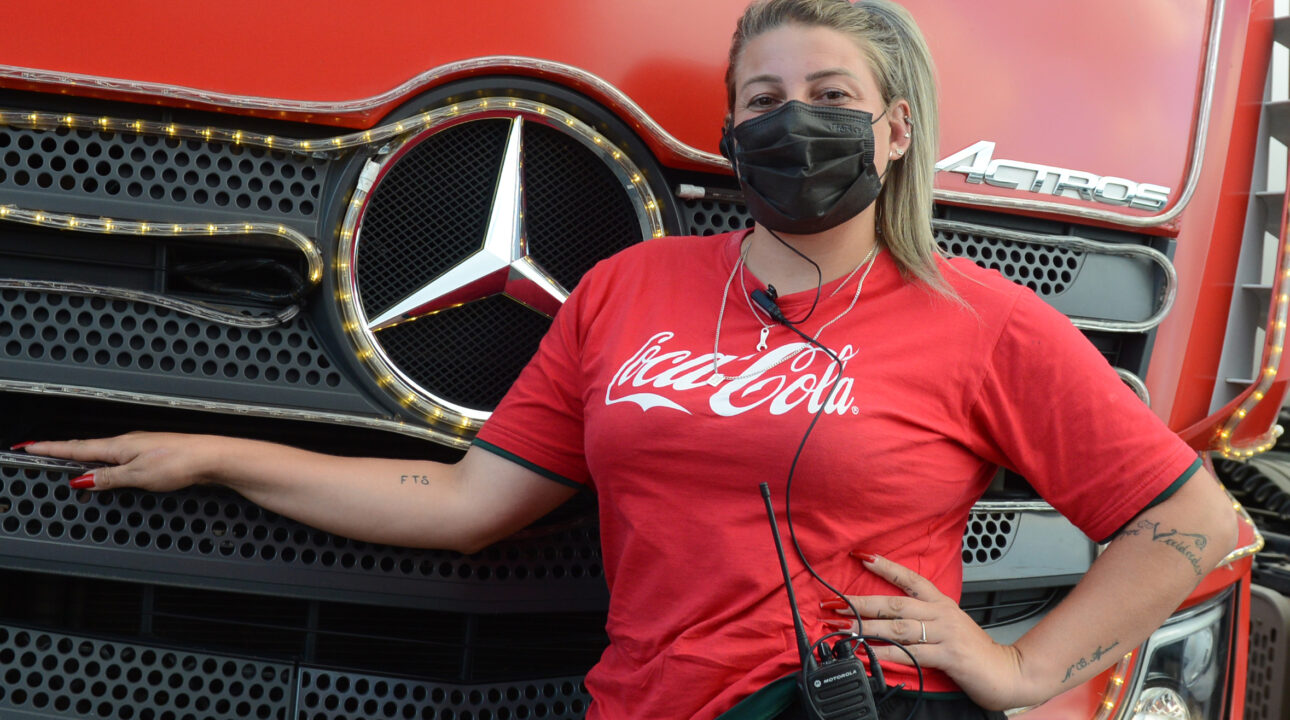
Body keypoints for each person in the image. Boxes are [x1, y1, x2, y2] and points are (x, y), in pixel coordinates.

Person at [18, 1, 1237, 719]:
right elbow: (467, 503)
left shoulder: (981, 318)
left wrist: (1020, 670)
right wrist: (221, 451)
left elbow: (1202, 527)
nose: (790, 120)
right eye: (763, 98)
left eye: (828, 93)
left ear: (897, 127)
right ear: (731, 131)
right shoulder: (628, 289)